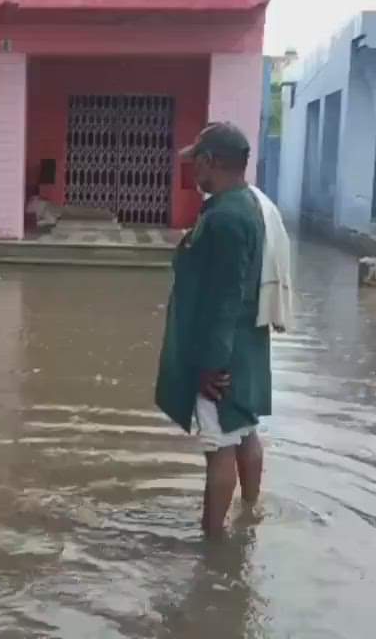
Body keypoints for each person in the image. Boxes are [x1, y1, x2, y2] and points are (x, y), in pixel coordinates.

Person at [155, 121, 274, 539]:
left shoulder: (225, 217)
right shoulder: (247, 205)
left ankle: (213, 542)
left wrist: (211, 366)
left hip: (223, 353)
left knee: (219, 446)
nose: (191, 172)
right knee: (244, 431)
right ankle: (249, 512)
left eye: (195, 162)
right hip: (245, 346)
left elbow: (224, 298)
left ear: (209, 162)